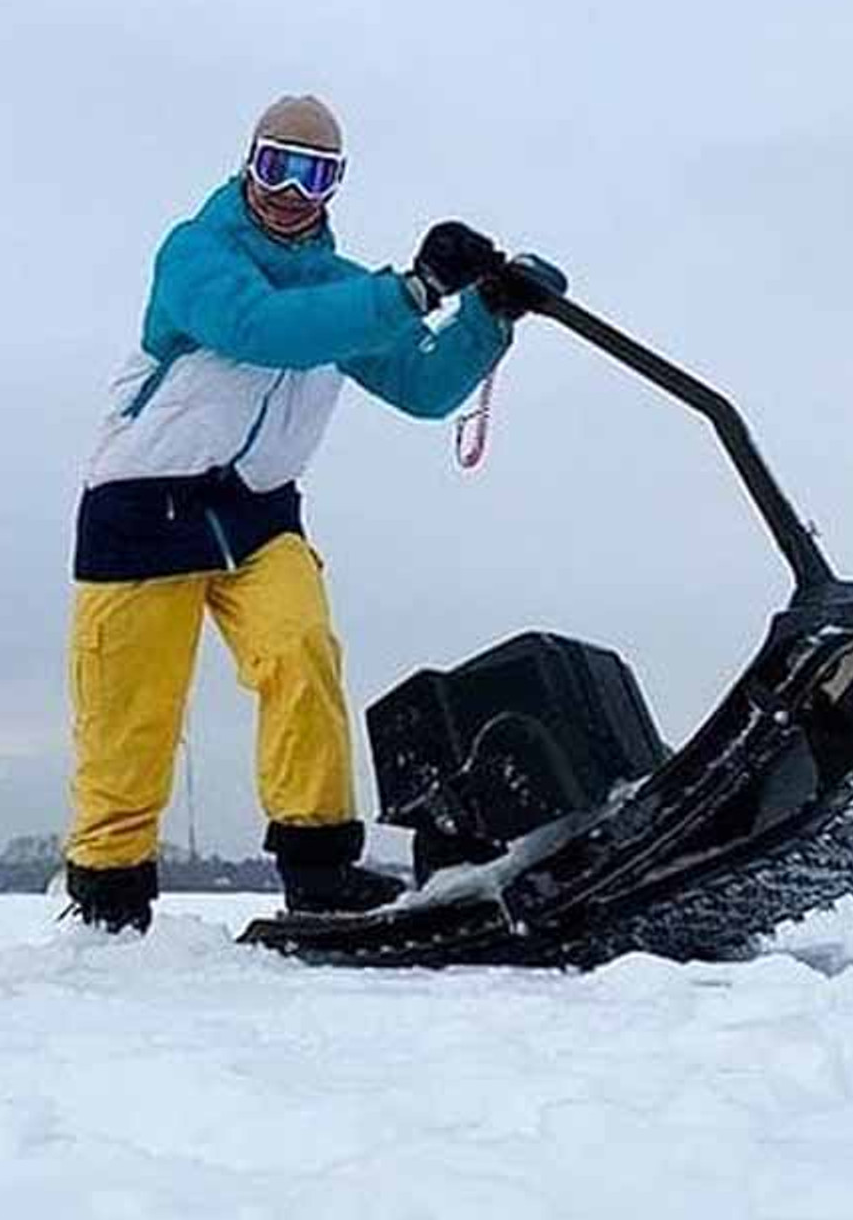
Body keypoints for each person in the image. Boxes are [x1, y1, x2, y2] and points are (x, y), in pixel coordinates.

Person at [62, 94, 563, 933]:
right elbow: (260, 329)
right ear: (248, 164)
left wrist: (486, 312)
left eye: (315, 173)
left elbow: (423, 386)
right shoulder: (196, 254)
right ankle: (110, 896)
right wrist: (411, 290)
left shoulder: (345, 289)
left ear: (335, 185)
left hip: (258, 516)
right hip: (142, 510)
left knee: (301, 655)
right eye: (276, 166)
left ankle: (318, 865)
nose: (292, 189)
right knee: (132, 715)